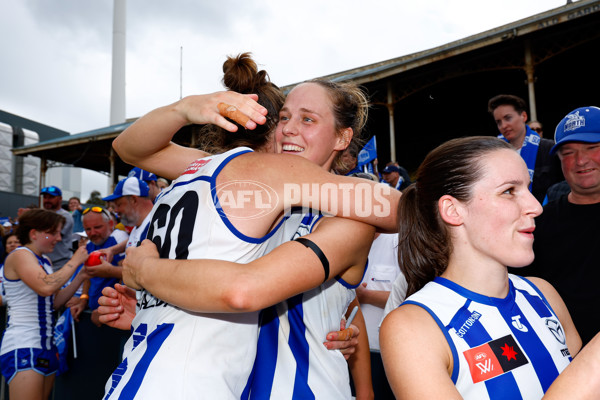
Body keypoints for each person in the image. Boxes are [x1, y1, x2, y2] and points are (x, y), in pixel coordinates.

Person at [98, 54, 398, 399]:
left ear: (342, 138)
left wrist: (147, 272)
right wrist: (161, 305)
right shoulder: (247, 186)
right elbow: (131, 149)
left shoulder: (347, 218)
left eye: (308, 119)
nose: (289, 128)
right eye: (284, 117)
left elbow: (346, 302)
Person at [378, 135, 600, 399]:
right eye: (509, 191)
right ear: (453, 210)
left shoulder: (543, 293)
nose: (534, 207)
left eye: (528, 189)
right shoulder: (413, 326)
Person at [513, 106, 600, 347]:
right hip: (567, 361)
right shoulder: (535, 225)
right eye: (569, 153)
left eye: (592, 148)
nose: (581, 160)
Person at [0, 208, 89, 400]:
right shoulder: (20, 254)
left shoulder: (45, 261)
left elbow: (54, 302)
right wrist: (75, 260)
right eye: (53, 232)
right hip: (23, 344)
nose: (58, 238)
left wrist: (81, 275)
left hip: (46, 346)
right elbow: (45, 287)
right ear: (34, 233)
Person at [54, 206, 129, 399]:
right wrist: (84, 299)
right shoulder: (88, 246)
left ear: (111, 224)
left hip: (114, 320)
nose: (92, 233)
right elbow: (89, 273)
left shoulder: (119, 242)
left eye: (97, 227)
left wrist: (104, 308)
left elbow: (127, 280)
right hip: (95, 318)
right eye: (88, 229)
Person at [488, 94, 563, 203]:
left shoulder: (549, 149)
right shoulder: (494, 155)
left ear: (524, 116)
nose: (503, 126)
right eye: (498, 122)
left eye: (508, 118)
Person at [355, 232, 402, 400]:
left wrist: (364, 296)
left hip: (384, 354)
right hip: (347, 352)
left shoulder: (397, 242)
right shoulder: (348, 241)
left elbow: (410, 297)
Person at [41, 185, 74, 271]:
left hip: (60, 264)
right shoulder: (41, 215)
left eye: (51, 197)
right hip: (43, 262)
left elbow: (50, 237)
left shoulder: (65, 217)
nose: (47, 200)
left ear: (60, 199)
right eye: (45, 197)